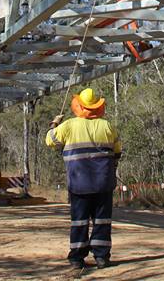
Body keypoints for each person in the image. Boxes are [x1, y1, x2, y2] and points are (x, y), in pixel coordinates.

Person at [45, 87, 122, 270]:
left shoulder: (70, 125)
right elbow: (117, 151)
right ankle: (102, 257)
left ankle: (77, 259)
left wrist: (54, 125)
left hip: (79, 183)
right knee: (102, 221)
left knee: (79, 221)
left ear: (79, 105)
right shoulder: (107, 126)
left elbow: (50, 141)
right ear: (98, 107)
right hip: (103, 183)